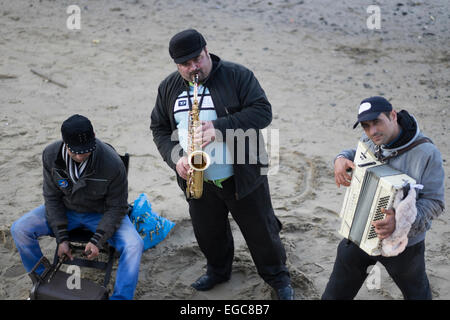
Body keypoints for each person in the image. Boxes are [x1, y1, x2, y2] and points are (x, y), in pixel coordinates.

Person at [150, 29, 294, 299]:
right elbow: (159, 128)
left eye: (198, 59)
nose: (194, 68)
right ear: (176, 65)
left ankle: (278, 278)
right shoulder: (168, 87)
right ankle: (218, 271)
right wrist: (176, 158)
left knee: (261, 232)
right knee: (209, 233)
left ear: (207, 50)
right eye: (186, 64)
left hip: (242, 173)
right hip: (198, 179)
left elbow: (263, 112)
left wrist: (219, 128)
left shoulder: (238, 76)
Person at [322, 96, 445, 300]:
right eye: (366, 126)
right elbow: (357, 153)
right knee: (334, 295)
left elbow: (435, 202)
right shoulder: (371, 141)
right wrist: (341, 158)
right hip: (361, 233)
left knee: (417, 294)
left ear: (393, 116)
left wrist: (400, 222)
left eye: (377, 122)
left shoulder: (427, 153)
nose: (372, 131)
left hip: (404, 244)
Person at [11, 114, 144, 300]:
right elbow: (51, 197)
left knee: (134, 244)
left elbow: (117, 207)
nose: (81, 155)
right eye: (75, 151)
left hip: (101, 213)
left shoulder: (112, 163)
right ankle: (42, 280)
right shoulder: (50, 154)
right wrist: (62, 237)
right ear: (65, 143)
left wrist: (98, 240)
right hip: (66, 209)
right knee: (20, 229)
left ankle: (121, 297)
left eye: (86, 150)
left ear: (94, 136)